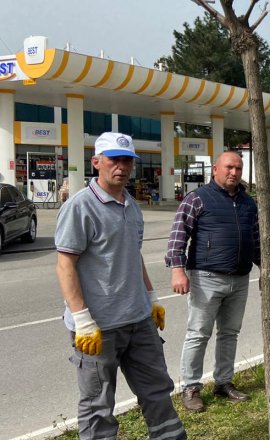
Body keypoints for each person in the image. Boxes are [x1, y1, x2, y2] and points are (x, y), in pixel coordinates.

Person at [55, 132, 186, 439]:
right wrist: (83, 320)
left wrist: (150, 297)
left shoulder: (131, 204)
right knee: (97, 406)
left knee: (157, 392)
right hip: (98, 327)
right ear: (96, 162)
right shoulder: (80, 207)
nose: (122, 167)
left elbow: (132, 255)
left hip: (138, 321)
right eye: (115, 159)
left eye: (128, 160)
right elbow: (65, 265)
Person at [166, 151, 259, 412]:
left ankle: (223, 382)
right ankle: (191, 387)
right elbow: (178, 236)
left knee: (230, 333)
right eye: (229, 167)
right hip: (206, 277)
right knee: (198, 333)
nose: (234, 173)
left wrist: (265, 270)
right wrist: (177, 270)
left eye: (239, 168)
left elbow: (257, 239)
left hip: (240, 279)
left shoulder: (248, 203)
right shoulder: (197, 199)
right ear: (215, 169)